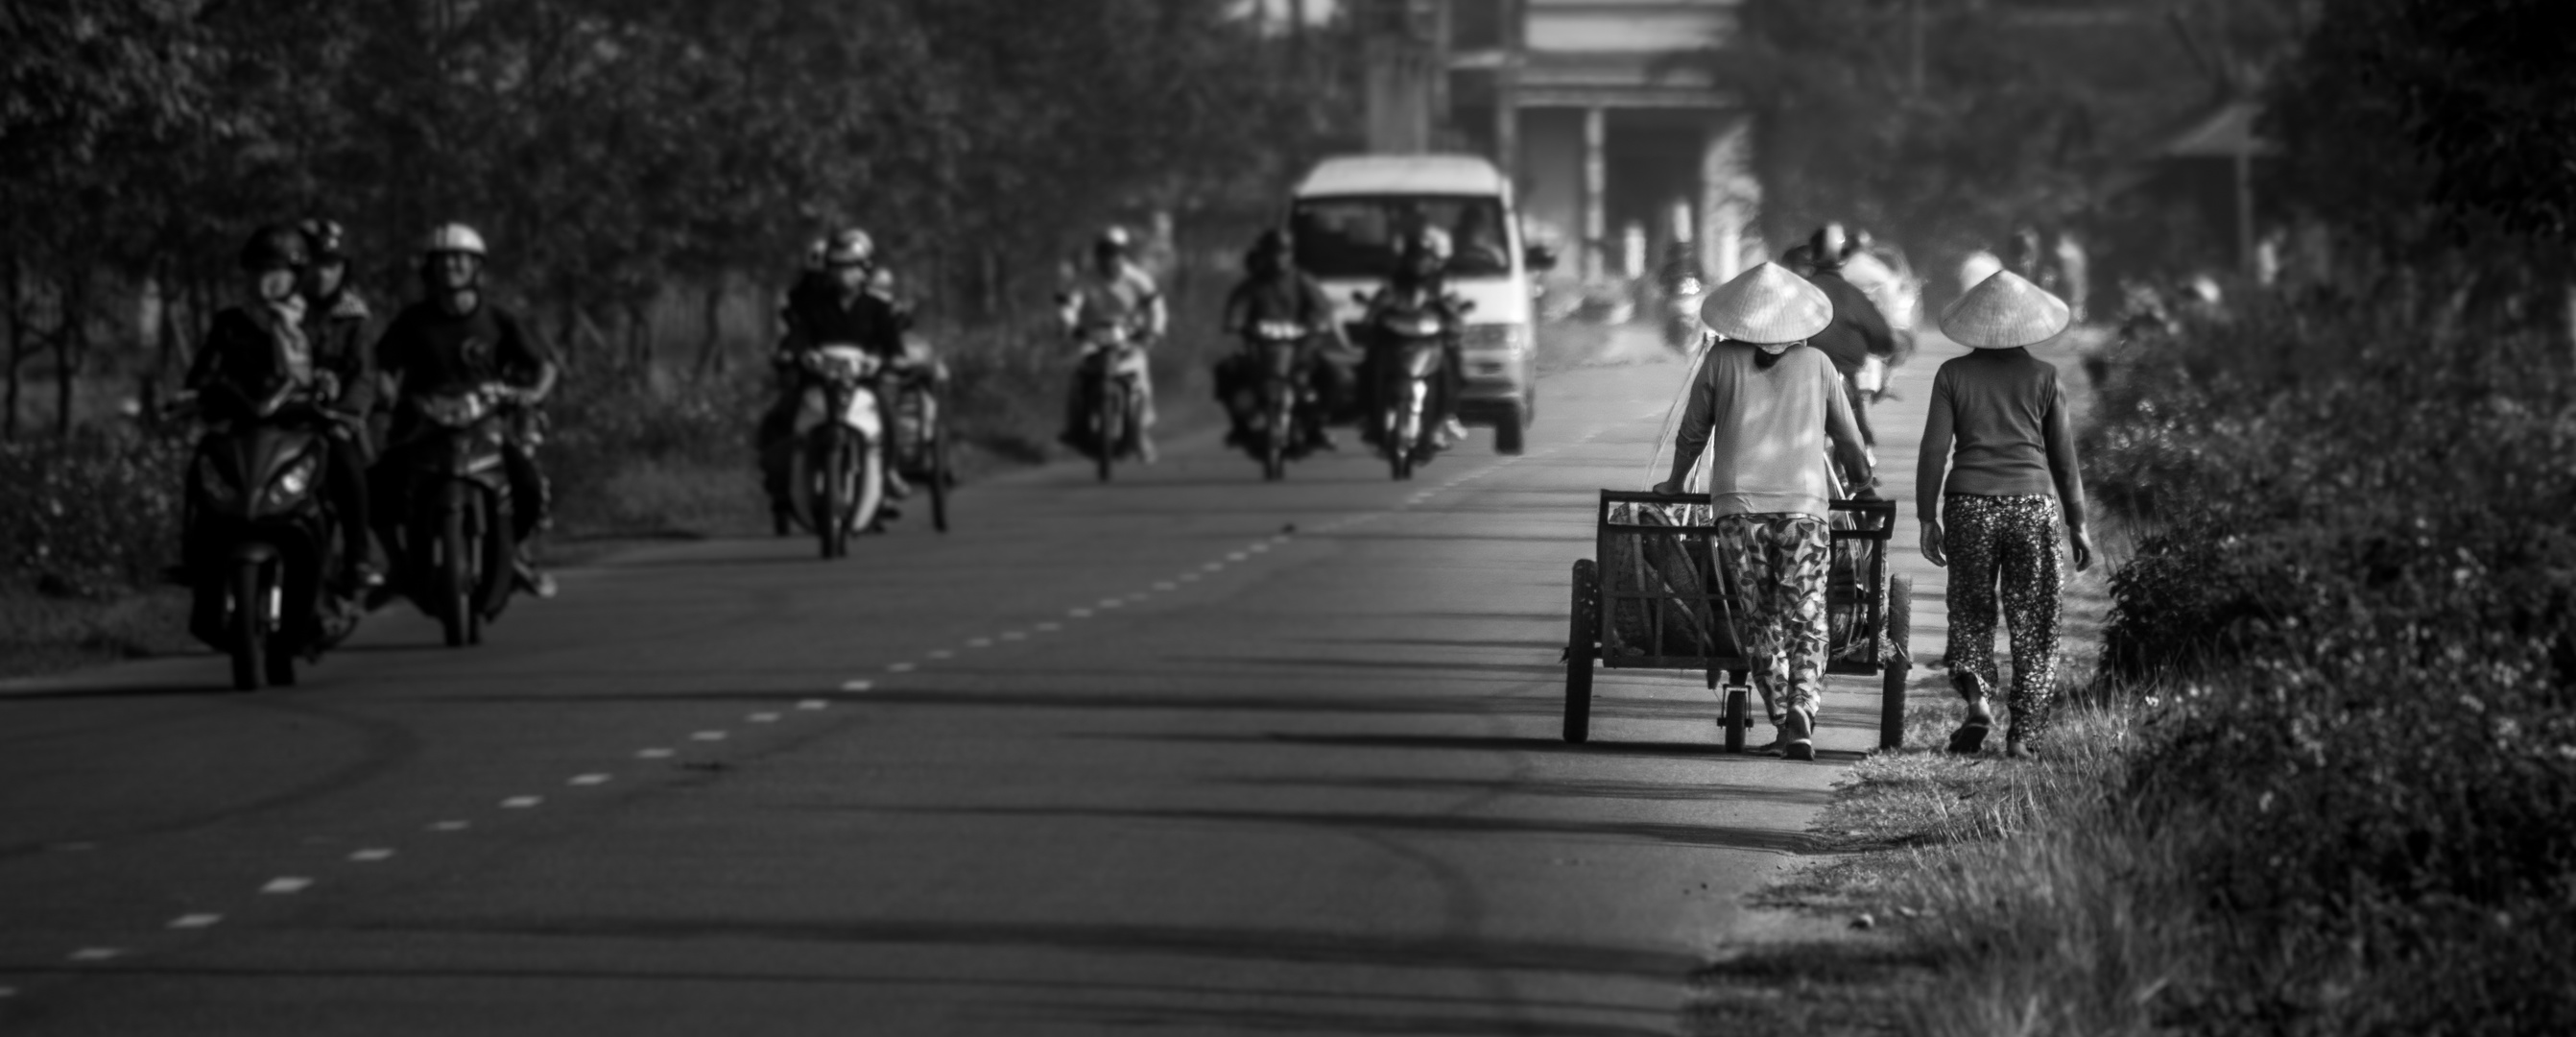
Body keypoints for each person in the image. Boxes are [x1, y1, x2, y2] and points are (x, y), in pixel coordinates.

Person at [1654, 262, 1874, 761]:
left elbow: (1693, 434)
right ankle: (1803, 707)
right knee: (1807, 613)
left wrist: (1674, 484)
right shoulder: (1818, 363)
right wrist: (1861, 483)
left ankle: (1781, 720)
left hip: (1737, 509)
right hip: (1804, 511)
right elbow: (1849, 438)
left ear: (1742, 317)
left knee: (1759, 618)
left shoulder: (1719, 361)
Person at [1918, 270, 2094, 760]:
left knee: (1971, 610)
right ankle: (2023, 736)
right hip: (2031, 504)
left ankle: (1978, 700)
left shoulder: (1953, 374)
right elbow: (2063, 457)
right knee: (2035, 619)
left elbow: (1935, 450)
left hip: (1968, 504)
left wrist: (1926, 515)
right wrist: (2077, 521)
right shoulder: (2044, 377)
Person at [181, 224, 378, 593]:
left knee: (347, 464)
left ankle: (358, 557)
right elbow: (203, 373)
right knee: (204, 461)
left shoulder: (318, 322)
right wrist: (197, 396)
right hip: (246, 427)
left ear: (296, 276)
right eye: (256, 271)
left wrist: (337, 400)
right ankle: (193, 556)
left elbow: (348, 373)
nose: (265, 282)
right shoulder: (231, 323)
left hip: (303, 428)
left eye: (276, 272)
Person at [372, 223, 560, 598]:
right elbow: (382, 366)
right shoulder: (412, 321)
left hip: (485, 427)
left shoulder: (498, 319)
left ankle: (517, 555)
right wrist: (387, 394)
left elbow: (545, 365)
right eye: (442, 260)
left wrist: (533, 394)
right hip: (422, 428)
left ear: (477, 267)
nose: (451, 267)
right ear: (429, 269)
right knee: (375, 486)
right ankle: (398, 565)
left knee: (527, 484)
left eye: (461, 259)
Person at [763, 229, 910, 525]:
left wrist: (891, 359)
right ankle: (780, 485)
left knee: (887, 415)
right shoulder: (813, 304)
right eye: (837, 267)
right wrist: (791, 354)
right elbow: (798, 335)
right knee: (782, 419)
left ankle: (890, 472)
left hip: (863, 382)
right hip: (817, 381)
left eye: (851, 267)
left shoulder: (877, 307)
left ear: (865, 269)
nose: (844, 274)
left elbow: (892, 344)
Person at [1217, 229, 1340, 452]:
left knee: (1331, 375)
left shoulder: (1302, 280)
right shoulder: (1253, 285)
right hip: (1261, 350)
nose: (1278, 258)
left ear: (1291, 254)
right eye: (1273, 253)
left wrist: (1317, 322)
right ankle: (1239, 427)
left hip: (1298, 348)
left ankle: (1318, 426)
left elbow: (1322, 308)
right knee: (1226, 372)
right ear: (1263, 255)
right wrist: (1235, 322)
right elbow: (1237, 308)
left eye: (1283, 252)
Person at [1057, 225, 1167, 462]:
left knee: (1141, 377)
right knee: (1076, 374)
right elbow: (1070, 306)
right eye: (1104, 252)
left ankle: (1140, 431)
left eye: (1114, 252)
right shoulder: (1085, 278)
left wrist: (1153, 333)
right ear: (1097, 254)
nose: (1109, 258)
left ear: (1123, 254)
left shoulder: (1137, 278)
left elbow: (1156, 308)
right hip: (1093, 338)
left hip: (1128, 338)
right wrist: (1072, 326)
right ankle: (1074, 426)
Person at [1355, 225, 1468, 450]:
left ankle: (1443, 417)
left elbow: (1452, 307)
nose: (1419, 263)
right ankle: (1371, 418)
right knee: (1369, 366)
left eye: (1424, 258)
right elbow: (1379, 303)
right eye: (1414, 257)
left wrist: (1453, 320)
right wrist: (1373, 315)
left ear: (1432, 260)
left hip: (1430, 340)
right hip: (1395, 339)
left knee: (1451, 366)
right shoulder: (1394, 280)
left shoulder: (1441, 281)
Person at [1802, 224, 1896, 464]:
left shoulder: (1796, 291)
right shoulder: (1853, 295)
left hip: (1798, 381)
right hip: (1843, 381)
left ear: (1812, 255)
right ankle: (1863, 482)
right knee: (1858, 439)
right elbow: (1883, 339)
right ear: (1843, 258)